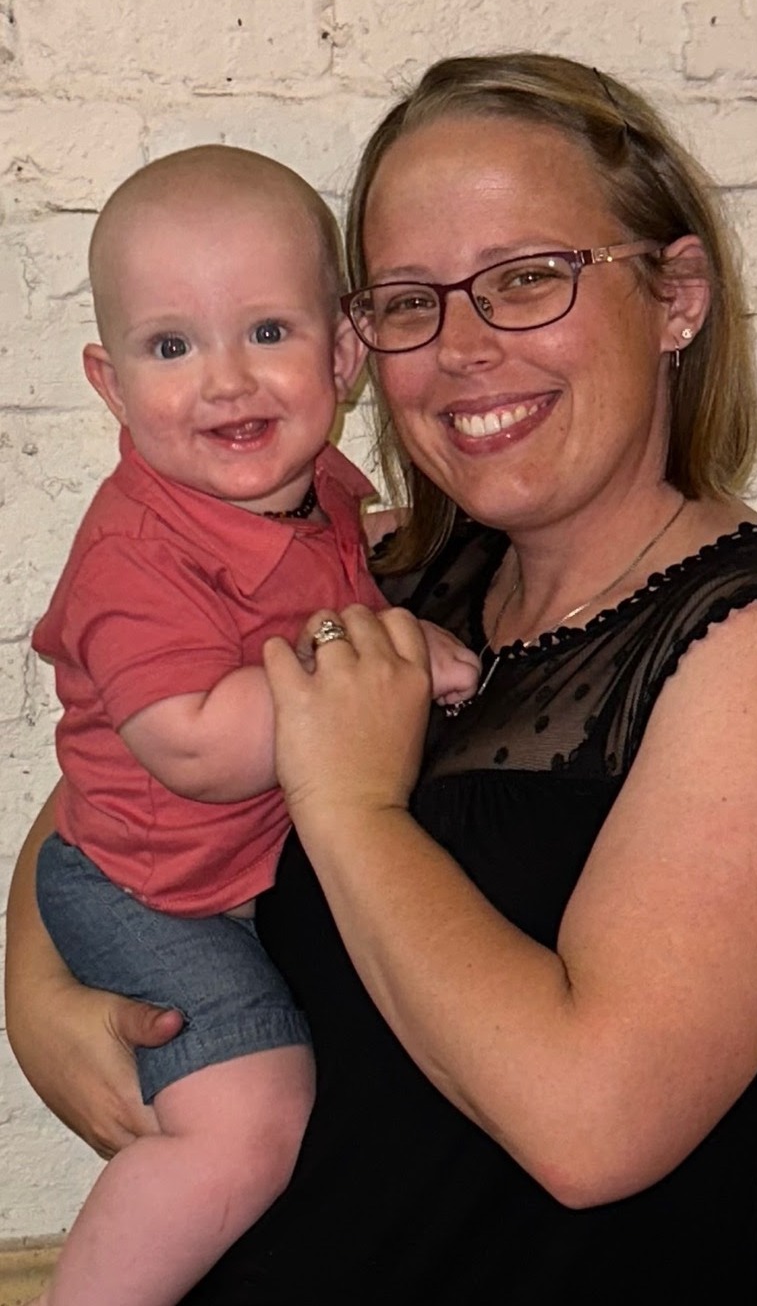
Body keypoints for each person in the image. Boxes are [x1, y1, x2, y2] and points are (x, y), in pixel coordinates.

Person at [6, 55, 757, 1306]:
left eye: (528, 278)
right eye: (406, 301)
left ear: (676, 297)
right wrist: (36, 987)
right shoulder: (390, 569)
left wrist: (351, 805)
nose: (463, 349)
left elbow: (589, 1130)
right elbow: (103, 771)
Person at [21, 144, 480, 1306]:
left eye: (267, 333)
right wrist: (383, 655)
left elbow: (331, 573)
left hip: (231, 875)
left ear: (342, 352)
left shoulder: (321, 485)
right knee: (251, 1118)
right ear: (109, 381)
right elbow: (190, 740)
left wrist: (369, 582)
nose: (225, 383)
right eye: (172, 347)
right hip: (148, 889)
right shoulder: (137, 553)